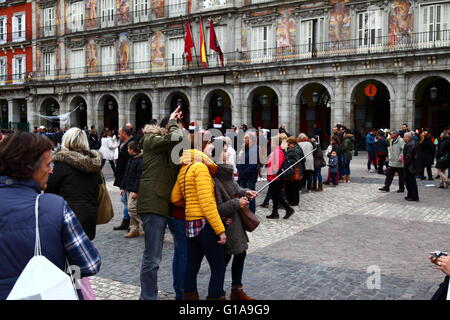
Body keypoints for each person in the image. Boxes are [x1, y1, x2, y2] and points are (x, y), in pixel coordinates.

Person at [0, 132, 101, 300]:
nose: (50, 171)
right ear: (30, 168)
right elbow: (90, 264)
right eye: (48, 165)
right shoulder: (54, 206)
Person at [171, 133, 227, 300]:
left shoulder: (184, 167)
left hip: (190, 223)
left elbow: (175, 198)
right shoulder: (200, 167)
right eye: (210, 143)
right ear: (202, 146)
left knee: (191, 267)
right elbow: (207, 203)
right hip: (204, 224)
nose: (212, 146)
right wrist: (220, 230)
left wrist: (190, 205)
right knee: (219, 266)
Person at [137, 108, 184, 300]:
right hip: (153, 203)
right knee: (152, 257)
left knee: (181, 253)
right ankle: (148, 297)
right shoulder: (150, 140)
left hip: (167, 204)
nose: (181, 132)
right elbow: (177, 136)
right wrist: (173, 121)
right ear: (166, 128)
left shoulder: (167, 147)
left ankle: (182, 293)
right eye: (175, 127)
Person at [213, 141, 257, 300]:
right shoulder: (215, 179)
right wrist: (237, 203)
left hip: (235, 223)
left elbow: (236, 189)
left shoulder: (227, 173)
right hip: (226, 224)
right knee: (224, 259)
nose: (228, 153)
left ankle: (236, 289)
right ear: (217, 156)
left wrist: (247, 192)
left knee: (240, 253)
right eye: (224, 151)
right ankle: (217, 292)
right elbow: (217, 208)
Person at [46, 127, 103, 240]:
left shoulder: (62, 164)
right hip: (89, 215)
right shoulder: (93, 164)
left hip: (68, 217)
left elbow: (50, 191)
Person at [266, 134, 294, 220]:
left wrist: (268, 165)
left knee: (277, 195)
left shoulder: (278, 151)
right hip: (272, 176)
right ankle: (275, 212)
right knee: (274, 195)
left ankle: (288, 209)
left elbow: (277, 165)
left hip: (275, 176)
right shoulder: (277, 150)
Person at [120, 140, 144, 238]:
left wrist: (136, 191)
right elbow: (127, 174)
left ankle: (146, 224)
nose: (127, 150)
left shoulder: (139, 161)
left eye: (128, 148)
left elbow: (139, 177)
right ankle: (134, 229)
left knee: (131, 208)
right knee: (132, 208)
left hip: (134, 189)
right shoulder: (132, 159)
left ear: (132, 150)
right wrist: (123, 187)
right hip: (129, 187)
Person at [113, 126, 134, 231]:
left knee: (127, 201)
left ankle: (129, 222)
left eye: (119, 133)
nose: (118, 135)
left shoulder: (132, 144)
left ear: (124, 133)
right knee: (124, 200)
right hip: (123, 177)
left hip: (128, 178)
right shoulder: (123, 143)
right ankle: (126, 221)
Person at [236, 132, 259, 214]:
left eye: (245, 138)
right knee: (243, 196)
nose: (243, 139)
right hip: (243, 177)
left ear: (251, 140)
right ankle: (245, 213)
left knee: (251, 196)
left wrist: (243, 172)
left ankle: (252, 213)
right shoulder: (246, 148)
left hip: (249, 178)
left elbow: (253, 166)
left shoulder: (254, 149)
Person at [284, 136, 304, 206]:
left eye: (288, 143)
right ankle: (293, 201)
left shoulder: (294, 150)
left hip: (294, 171)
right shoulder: (296, 148)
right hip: (296, 170)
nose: (287, 144)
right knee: (293, 187)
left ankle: (293, 201)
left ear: (292, 143)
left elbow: (296, 160)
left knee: (293, 187)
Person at [403, 132, 420, 201]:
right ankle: (410, 195)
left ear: (408, 137)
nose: (403, 138)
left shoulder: (409, 144)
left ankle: (413, 196)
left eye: (404, 137)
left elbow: (408, 156)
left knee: (410, 181)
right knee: (410, 181)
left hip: (410, 166)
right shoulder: (413, 142)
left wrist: (406, 164)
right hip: (412, 164)